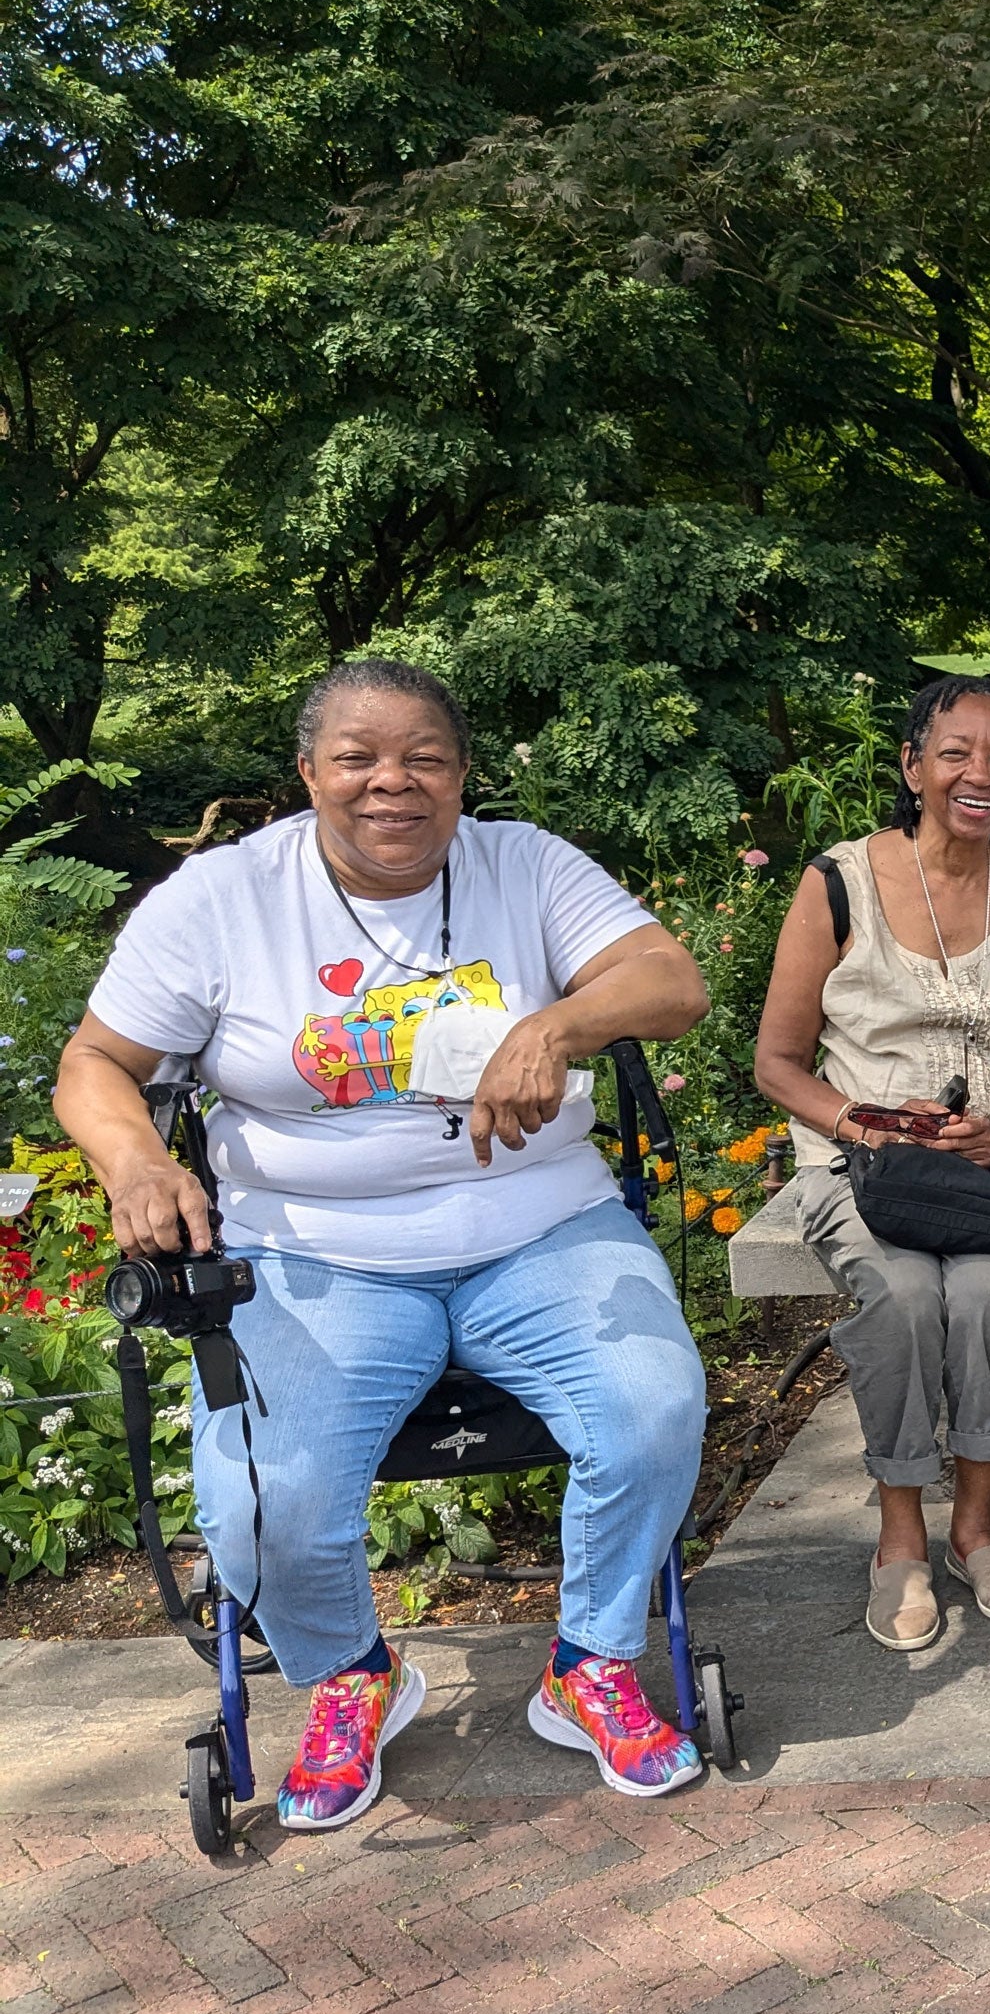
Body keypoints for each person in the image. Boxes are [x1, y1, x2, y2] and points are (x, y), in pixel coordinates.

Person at [55, 659, 714, 1830]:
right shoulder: (220, 900)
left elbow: (670, 980)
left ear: (463, 777)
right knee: (262, 1499)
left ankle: (592, 1662)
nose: (390, 782)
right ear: (309, 774)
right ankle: (352, 1673)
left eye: (424, 757)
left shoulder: (525, 865)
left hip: (542, 1227)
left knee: (651, 1408)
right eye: (357, 757)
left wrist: (557, 1022)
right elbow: (96, 1065)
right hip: (315, 1251)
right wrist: (136, 1161)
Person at [754, 674, 990, 1652]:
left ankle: (975, 1527)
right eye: (957, 753)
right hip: (860, 1159)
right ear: (912, 766)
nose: (982, 775)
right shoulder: (838, 883)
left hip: (988, 1164)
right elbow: (776, 1061)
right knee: (899, 1300)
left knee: (984, 1301)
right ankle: (901, 1534)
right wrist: (859, 1122)